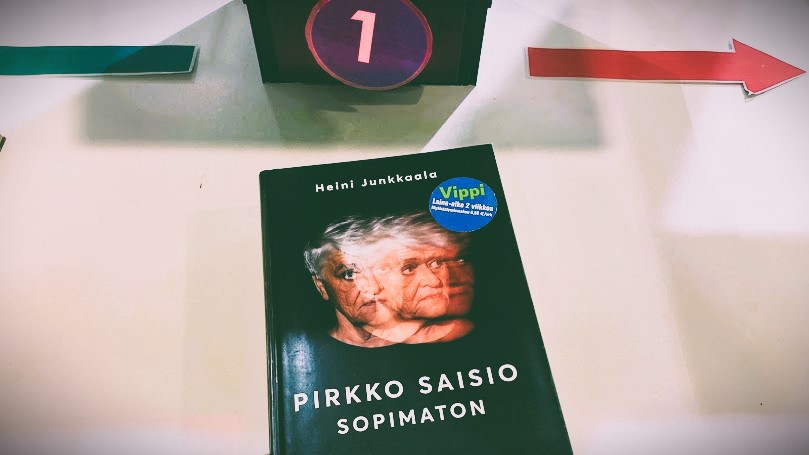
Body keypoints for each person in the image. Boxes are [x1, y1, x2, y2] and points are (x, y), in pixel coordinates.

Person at [303, 212, 474, 347]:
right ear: (321, 287)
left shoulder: (443, 339)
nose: (374, 288)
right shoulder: (312, 350)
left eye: (381, 268)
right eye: (350, 274)